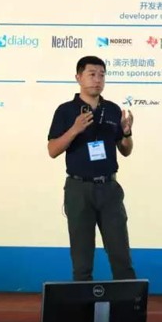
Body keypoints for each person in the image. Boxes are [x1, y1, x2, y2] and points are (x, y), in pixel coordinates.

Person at [47, 56, 136, 281]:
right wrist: (75, 129)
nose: (97, 80)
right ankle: (83, 302)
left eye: (102, 75)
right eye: (92, 74)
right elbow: (53, 150)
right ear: (78, 77)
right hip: (79, 189)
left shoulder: (113, 110)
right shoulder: (66, 111)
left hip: (109, 188)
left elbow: (126, 150)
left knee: (121, 254)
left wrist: (127, 133)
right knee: (82, 258)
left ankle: (125, 303)